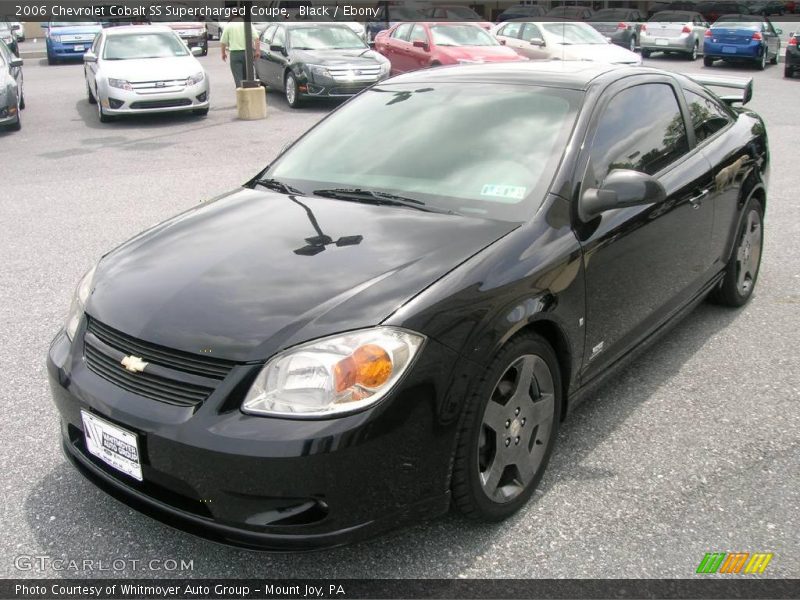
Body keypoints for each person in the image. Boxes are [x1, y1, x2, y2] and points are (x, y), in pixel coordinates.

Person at [220, 19, 260, 88]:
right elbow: (256, 38)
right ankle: (247, 92)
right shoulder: (247, 24)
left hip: (235, 54)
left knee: (238, 78)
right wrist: (257, 51)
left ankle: (241, 92)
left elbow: (223, 42)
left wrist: (223, 53)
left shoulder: (229, 26)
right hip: (247, 53)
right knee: (247, 77)